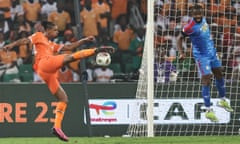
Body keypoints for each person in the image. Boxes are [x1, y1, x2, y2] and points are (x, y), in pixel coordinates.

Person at [3, 21, 114, 142]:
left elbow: (69, 47)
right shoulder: (39, 35)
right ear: (47, 30)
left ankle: (57, 127)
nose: (57, 32)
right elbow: (24, 41)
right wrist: (12, 45)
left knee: (63, 98)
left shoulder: (51, 44)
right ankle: (96, 50)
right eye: (55, 30)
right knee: (70, 58)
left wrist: (84, 40)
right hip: (44, 63)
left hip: (46, 73)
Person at [177, 4, 233, 123]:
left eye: (199, 13)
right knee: (206, 78)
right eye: (195, 14)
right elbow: (179, 39)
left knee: (219, 73)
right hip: (201, 56)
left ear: (202, 13)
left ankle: (222, 99)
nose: (198, 16)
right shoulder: (189, 27)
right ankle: (208, 110)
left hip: (212, 52)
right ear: (192, 14)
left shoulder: (205, 20)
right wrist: (182, 53)